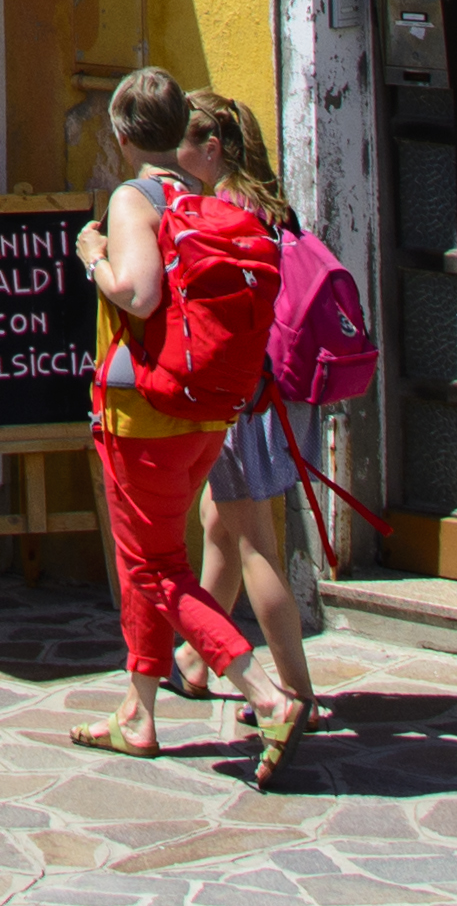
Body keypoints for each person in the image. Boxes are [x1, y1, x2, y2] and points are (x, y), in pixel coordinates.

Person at [75, 66, 299, 775]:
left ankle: (264, 692)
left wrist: (94, 260)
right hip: (205, 416)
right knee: (147, 563)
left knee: (154, 566)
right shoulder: (199, 196)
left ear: (121, 134)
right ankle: (138, 713)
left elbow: (138, 297)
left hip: (144, 412)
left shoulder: (134, 199)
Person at [184, 91, 325, 748]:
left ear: (211, 150)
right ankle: (195, 657)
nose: (174, 156)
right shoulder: (271, 206)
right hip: (277, 394)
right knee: (219, 523)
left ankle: (295, 692)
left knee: (255, 541)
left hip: (245, 397)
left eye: (183, 144)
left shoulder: (224, 214)